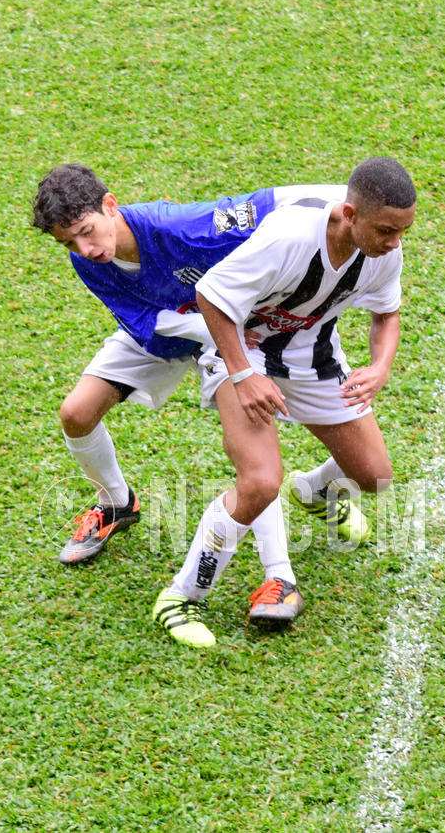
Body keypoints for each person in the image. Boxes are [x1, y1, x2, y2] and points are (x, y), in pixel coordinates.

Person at [32, 164, 347, 647]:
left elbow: (264, 203)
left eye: (86, 233)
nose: (84, 250)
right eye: (69, 243)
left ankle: (279, 573)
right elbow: (140, 321)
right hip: (167, 334)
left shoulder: (182, 227)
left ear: (111, 205)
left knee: (253, 463)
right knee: (76, 413)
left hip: (231, 336)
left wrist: (349, 198)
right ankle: (116, 503)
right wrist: (200, 329)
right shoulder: (87, 260)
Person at [157, 156, 417, 648]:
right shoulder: (290, 237)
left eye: (402, 231)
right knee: (258, 482)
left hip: (311, 357)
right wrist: (242, 375)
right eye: (386, 230)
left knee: (374, 475)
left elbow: (387, 313)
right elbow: (210, 295)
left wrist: (380, 366)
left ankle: (317, 491)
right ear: (349, 214)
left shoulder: (384, 252)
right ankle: (181, 595)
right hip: (239, 352)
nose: (394, 242)